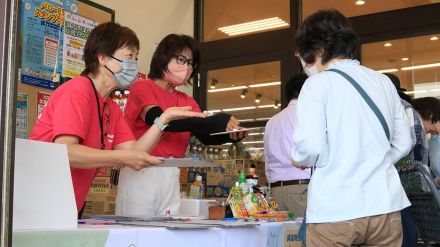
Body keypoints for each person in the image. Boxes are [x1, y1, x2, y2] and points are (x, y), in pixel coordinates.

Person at [29, 23, 206, 214]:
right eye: (129, 56)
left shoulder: (110, 107)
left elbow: (135, 151)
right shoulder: (78, 90)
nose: (134, 64)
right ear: (103, 57)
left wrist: (164, 119)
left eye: (136, 58)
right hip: (37, 200)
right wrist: (120, 157)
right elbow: (66, 152)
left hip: (67, 203)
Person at [291, 9, 412, 246]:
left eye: (306, 58)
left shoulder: (317, 84)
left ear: (320, 50)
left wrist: (300, 158)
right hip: (385, 207)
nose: (306, 66)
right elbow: (404, 142)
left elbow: (311, 148)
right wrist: (374, 158)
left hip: (336, 209)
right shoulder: (383, 81)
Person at [116, 34, 244, 217]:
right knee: (135, 236)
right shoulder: (143, 87)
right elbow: (157, 118)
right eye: (181, 59)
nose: (186, 67)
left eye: (191, 63)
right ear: (163, 58)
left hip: (172, 174)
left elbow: (203, 132)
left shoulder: (187, 100)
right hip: (141, 171)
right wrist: (216, 120)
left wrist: (227, 132)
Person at [264, 74, 310, 217]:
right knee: (305, 237)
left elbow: (267, 158)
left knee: (281, 238)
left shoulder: (272, 121)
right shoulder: (308, 115)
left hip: (275, 191)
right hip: (302, 188)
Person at [386, 73, 423, 247]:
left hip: (407, 177)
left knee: (405, 226)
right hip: (402, 176)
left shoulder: (402, 107)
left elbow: (409, 142)